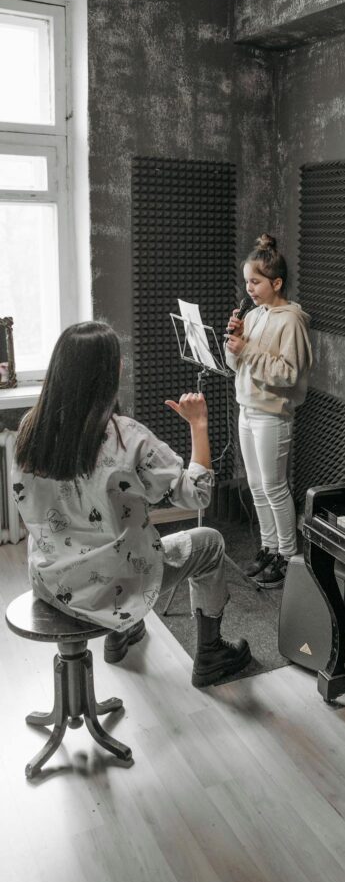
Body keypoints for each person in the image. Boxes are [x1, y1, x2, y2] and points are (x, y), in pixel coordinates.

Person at [12, 321, 251, 688]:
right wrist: (199, 425)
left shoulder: (31, 429)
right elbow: (197, 494)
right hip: (114, 585)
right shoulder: (128, 437)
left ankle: (122, 631)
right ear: (112, 371)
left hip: (51, 580)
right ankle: (211, 654)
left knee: (107, 540)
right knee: (210, 543)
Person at [225, 233, 313, 588]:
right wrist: (234, 343)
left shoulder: (291, 321)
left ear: (276, 283)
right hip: (247, 409)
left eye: (256, 282)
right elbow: (236, 366)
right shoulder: (254, 315)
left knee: (274, 487)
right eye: (247, 281)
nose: (249, 288)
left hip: (271, 414)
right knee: (256, 486)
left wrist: (246, 350)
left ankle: (288, 557)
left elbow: (288, 374)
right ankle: (269, 547)